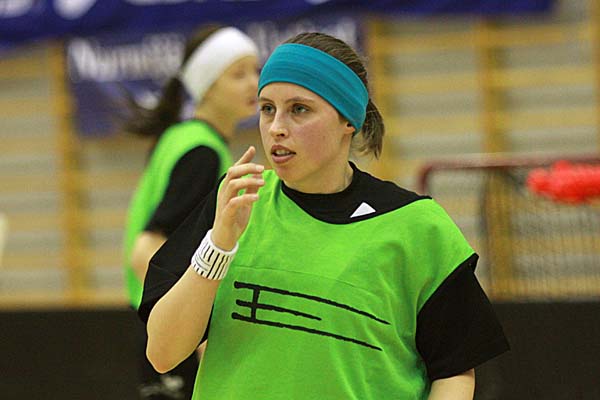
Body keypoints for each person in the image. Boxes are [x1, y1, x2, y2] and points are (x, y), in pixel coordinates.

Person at [139, 32, 509, 399]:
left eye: (299, 109)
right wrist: (219, 246)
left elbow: (455, 371)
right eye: (267, 109)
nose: (276, 127)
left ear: (348, 119)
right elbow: (163, 354)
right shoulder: (234, 203)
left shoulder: (417, 225)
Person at [122, 25, 259, 399]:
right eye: (238, 74)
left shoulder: (178, 137)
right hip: (174, 340)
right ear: (207, 84)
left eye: (255, 70)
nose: (254, 83)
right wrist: (193, 334)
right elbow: (146, 250)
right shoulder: (202, 154)